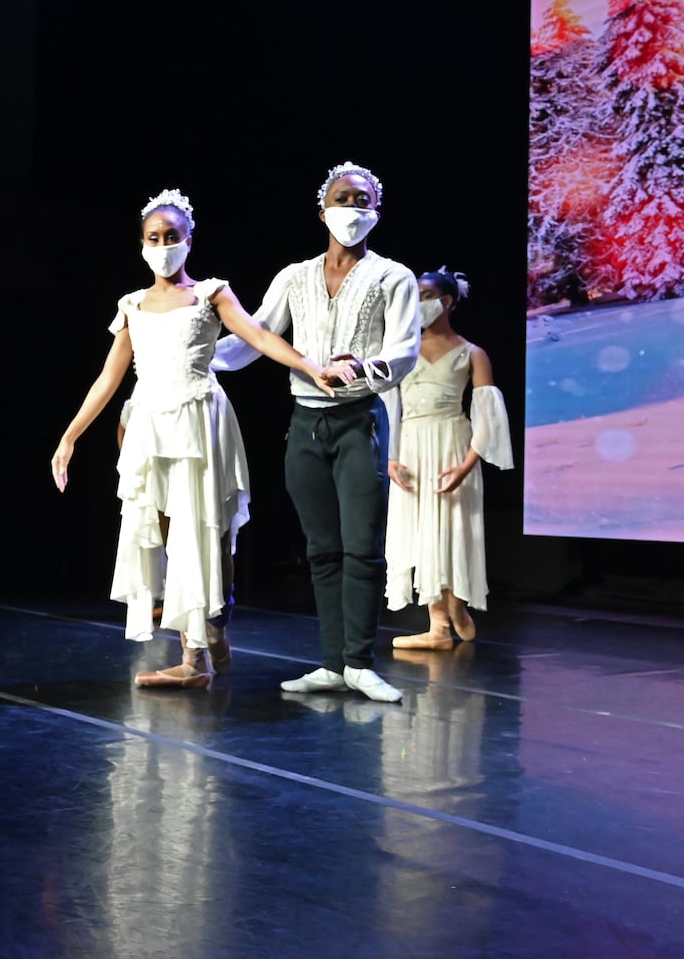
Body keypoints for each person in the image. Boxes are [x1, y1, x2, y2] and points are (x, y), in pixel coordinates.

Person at [51, 189, 345, 689]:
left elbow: (259, 337)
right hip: (151, 426)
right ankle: (202, 645)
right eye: (153, 238)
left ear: (189, 240)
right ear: (141, 243)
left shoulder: (211, 293)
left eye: (172, 237)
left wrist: (311, 367)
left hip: (199, 423)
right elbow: (109, 378)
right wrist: (69, 437)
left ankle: (205, 642)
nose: (163, 245)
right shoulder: (132, 305)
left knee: (207, 532)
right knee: (167, 534)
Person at [211, 162, 420, 702]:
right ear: (321, 209)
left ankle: (359, 661)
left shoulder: (392, 276)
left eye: (362, 199)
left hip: (358, 421)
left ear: (376, 211)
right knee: (322, 549)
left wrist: (365, 367)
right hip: (305, 424)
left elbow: (404, 350)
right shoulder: (294, 276)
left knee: (363, 547)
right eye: (342, 197)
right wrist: (197, 354)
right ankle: (331, 663)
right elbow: (255, 335)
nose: (352, 208)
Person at [385, 267, 514, 647]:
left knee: (453, 526)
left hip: (452, 444)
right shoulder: (402, 351)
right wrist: (390, 457)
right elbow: (390, 406)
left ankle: (456, 604)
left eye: (424, 295)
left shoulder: (472, 352)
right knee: (421, 530)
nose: (417, 303)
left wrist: (467, 463)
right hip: (411, 446)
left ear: (445, 301)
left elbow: (488, 416)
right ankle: (437, 626)